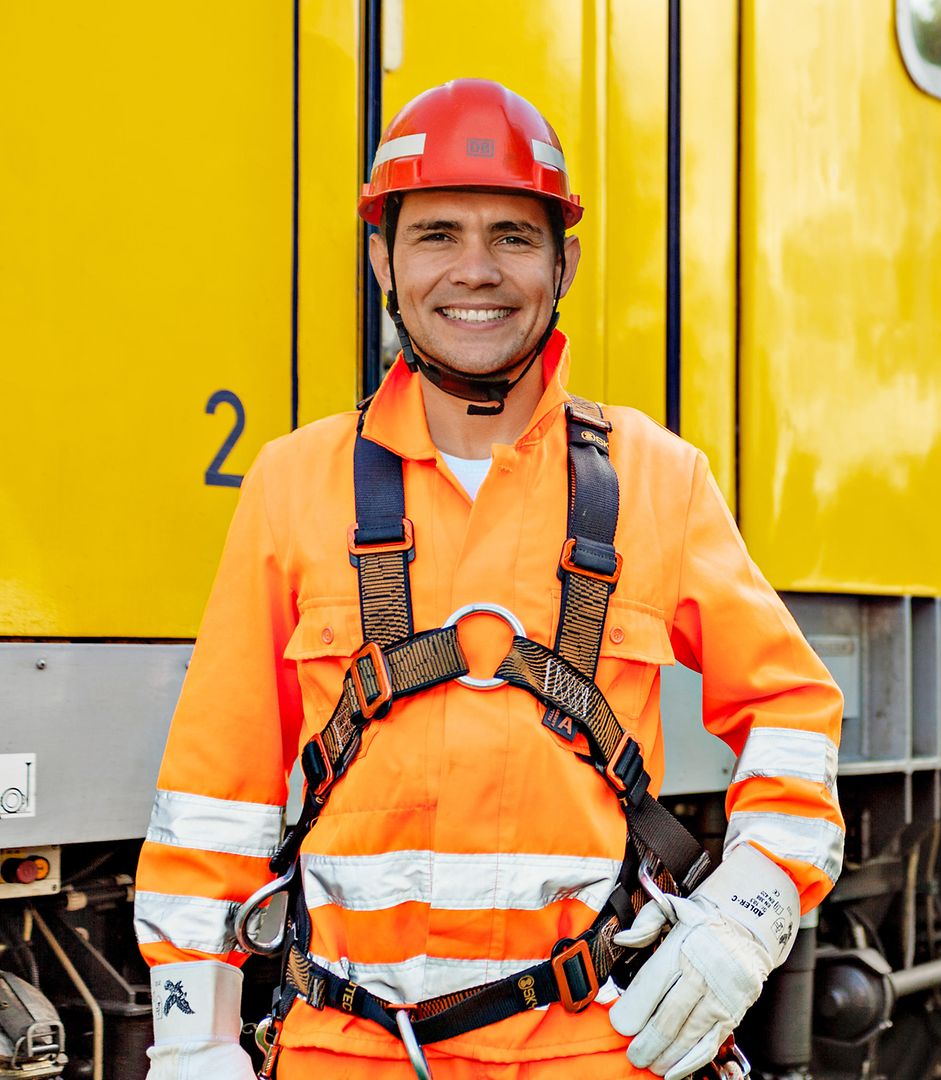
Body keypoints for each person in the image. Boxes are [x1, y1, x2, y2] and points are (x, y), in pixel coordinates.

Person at [134, 78, 844, 1080]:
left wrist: (745, 919)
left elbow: (793, 715)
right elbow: (213, 801)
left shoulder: (657, 480)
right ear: (384, 258)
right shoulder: (297, 485)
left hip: (589, 1051)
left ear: (565, 263)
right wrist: (193, 1041)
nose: (477, 270)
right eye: (436, 235)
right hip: (343, 1051)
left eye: (514, 235)